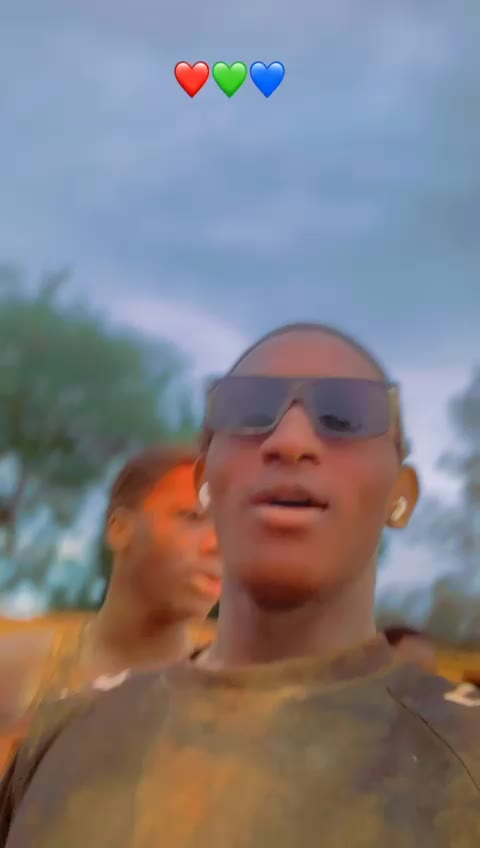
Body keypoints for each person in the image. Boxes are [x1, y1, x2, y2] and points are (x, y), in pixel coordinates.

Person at [2, 322, 480, 847]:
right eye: (249, 411)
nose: (290, 441)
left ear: (401, 495)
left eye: (345, 415)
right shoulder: (67, 736)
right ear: (205, 483)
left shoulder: (465, 753)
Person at [0, 444, 220, 774]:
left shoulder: (229, 709)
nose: (218, 544)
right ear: (119, 529)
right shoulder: (20, 675)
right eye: (192, 518)